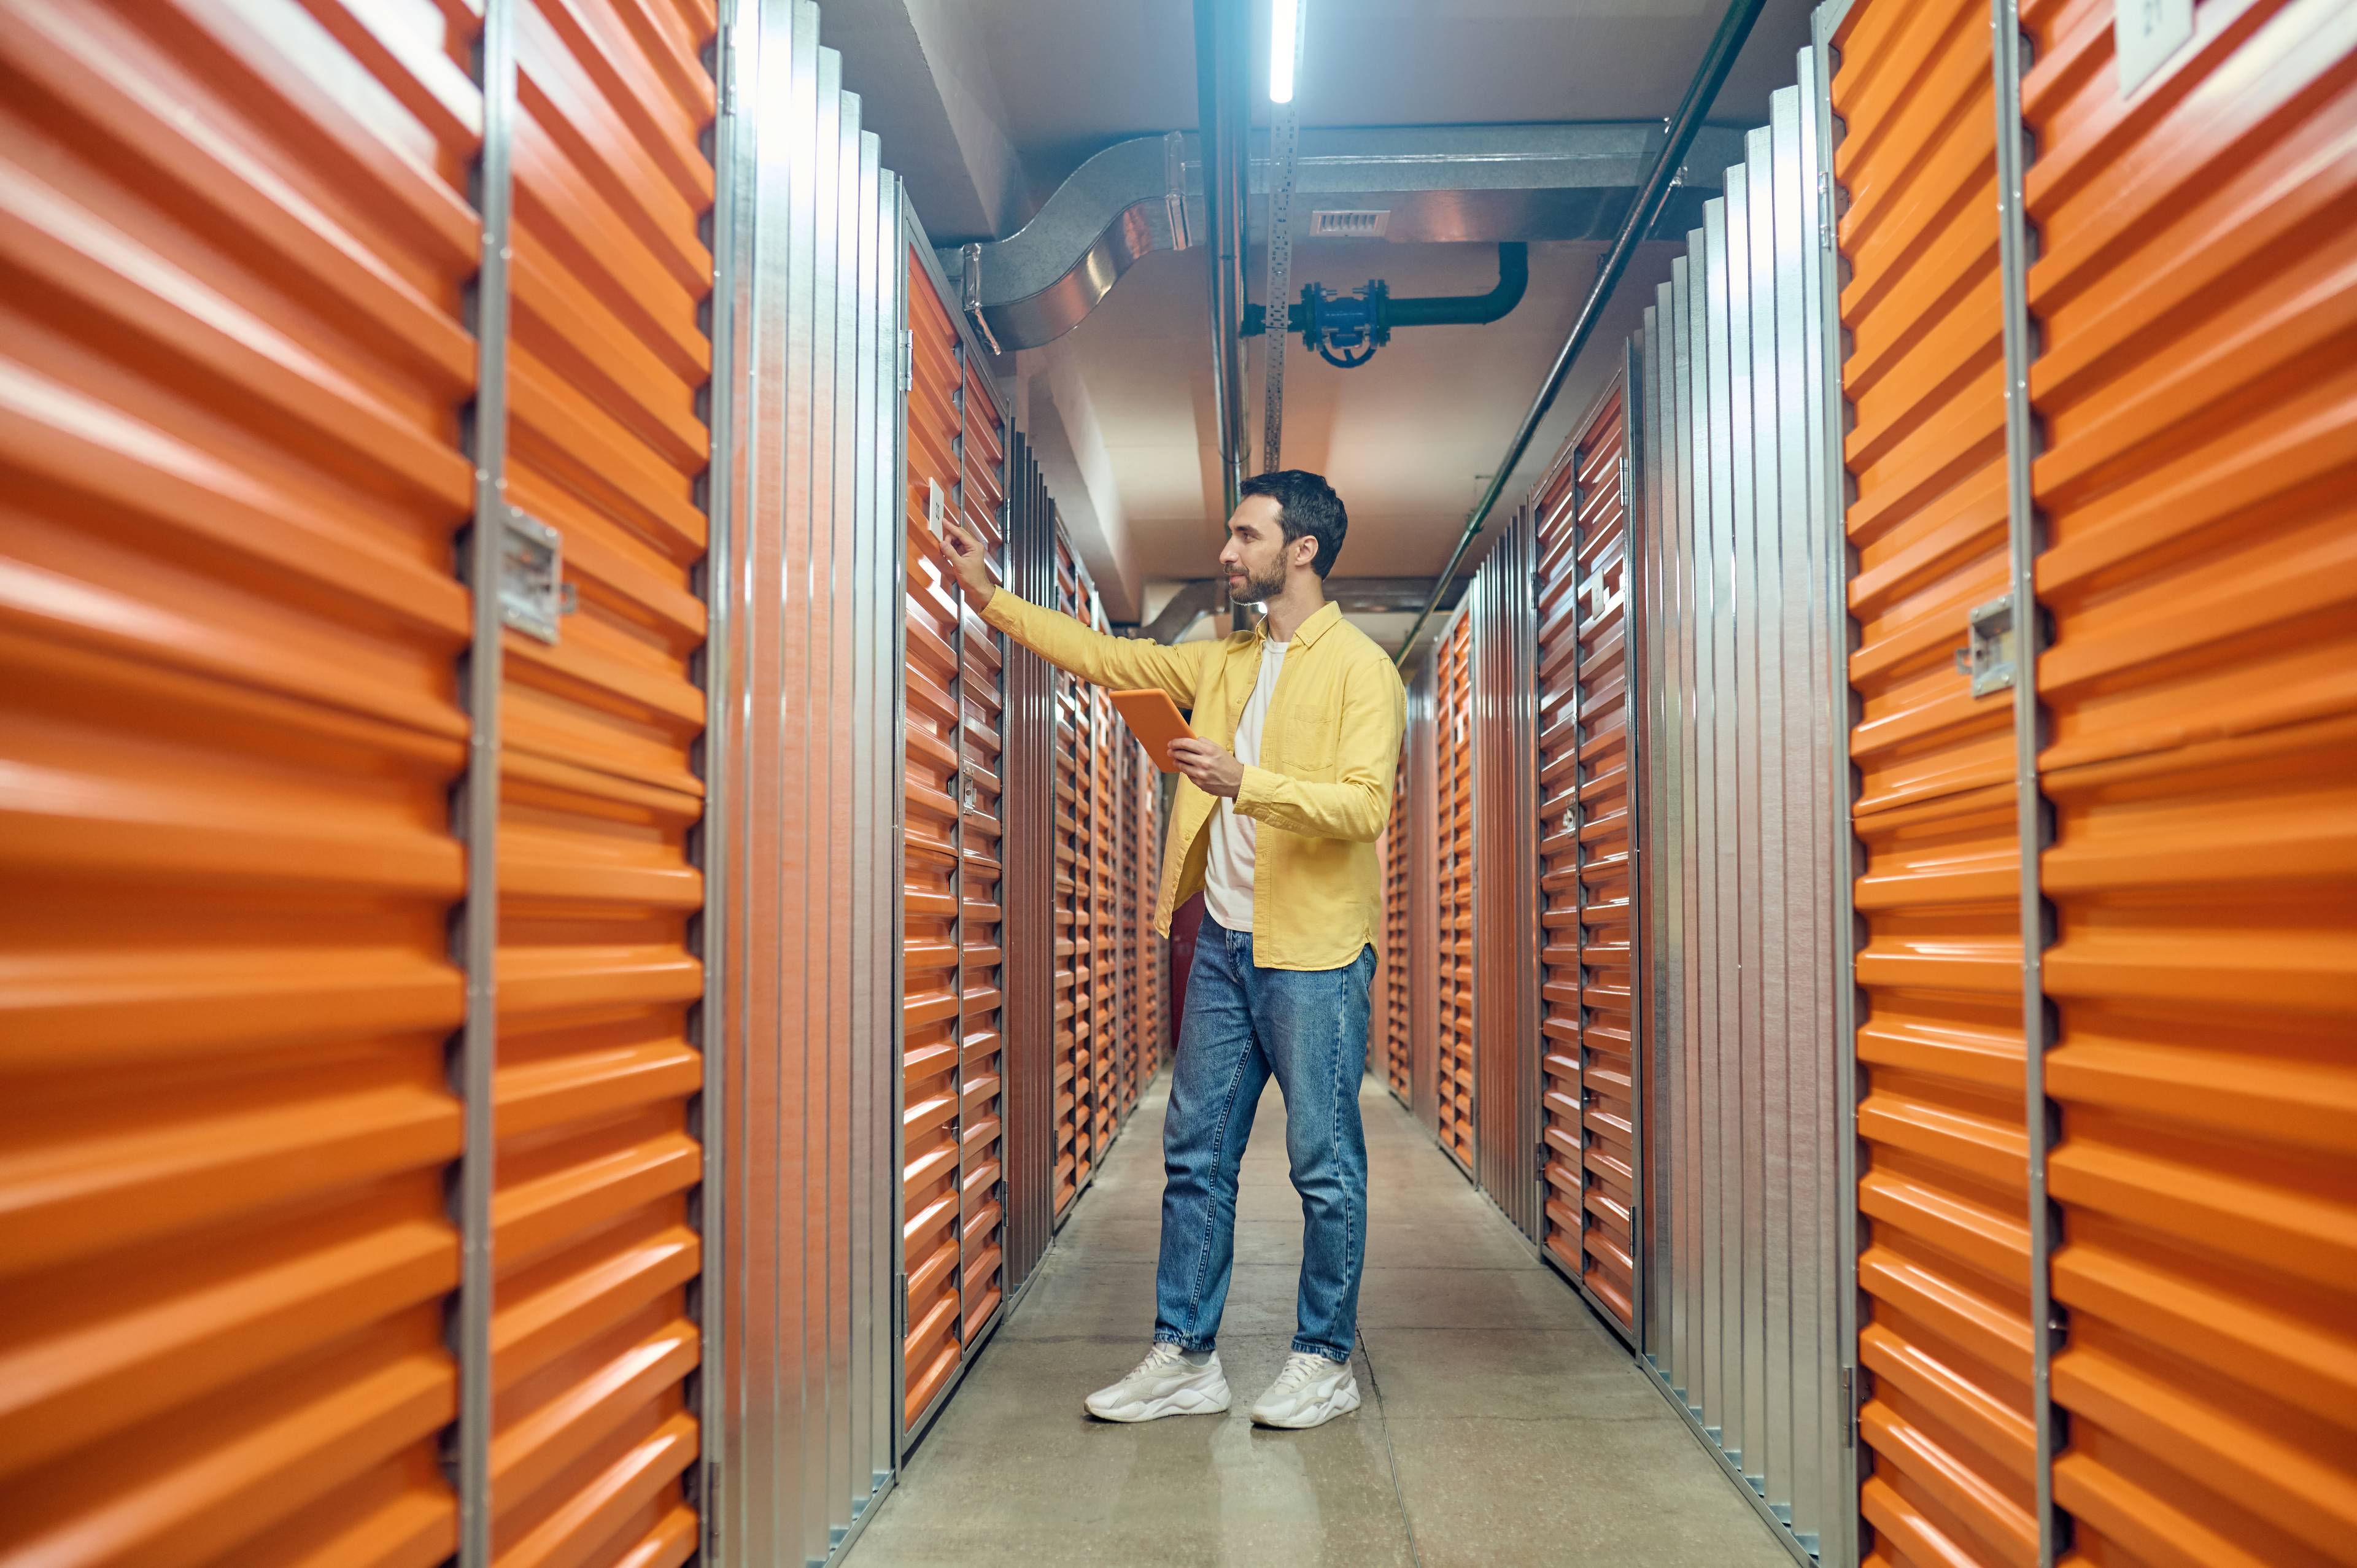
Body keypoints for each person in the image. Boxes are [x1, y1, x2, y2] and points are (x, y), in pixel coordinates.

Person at [940, 469, 1406, 1431]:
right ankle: (1187, 1356)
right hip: (1228, 947)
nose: (1228, 552)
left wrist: (1244, 779)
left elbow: (1363, 809)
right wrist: (989, 597)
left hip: (1315, 954)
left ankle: (1324, 1359)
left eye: (1247, 536)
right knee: (1196, 1156)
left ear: (1302, 549)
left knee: (1324, 1166)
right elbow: (1106, 659)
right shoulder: (1225, 662)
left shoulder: (1364, 669)